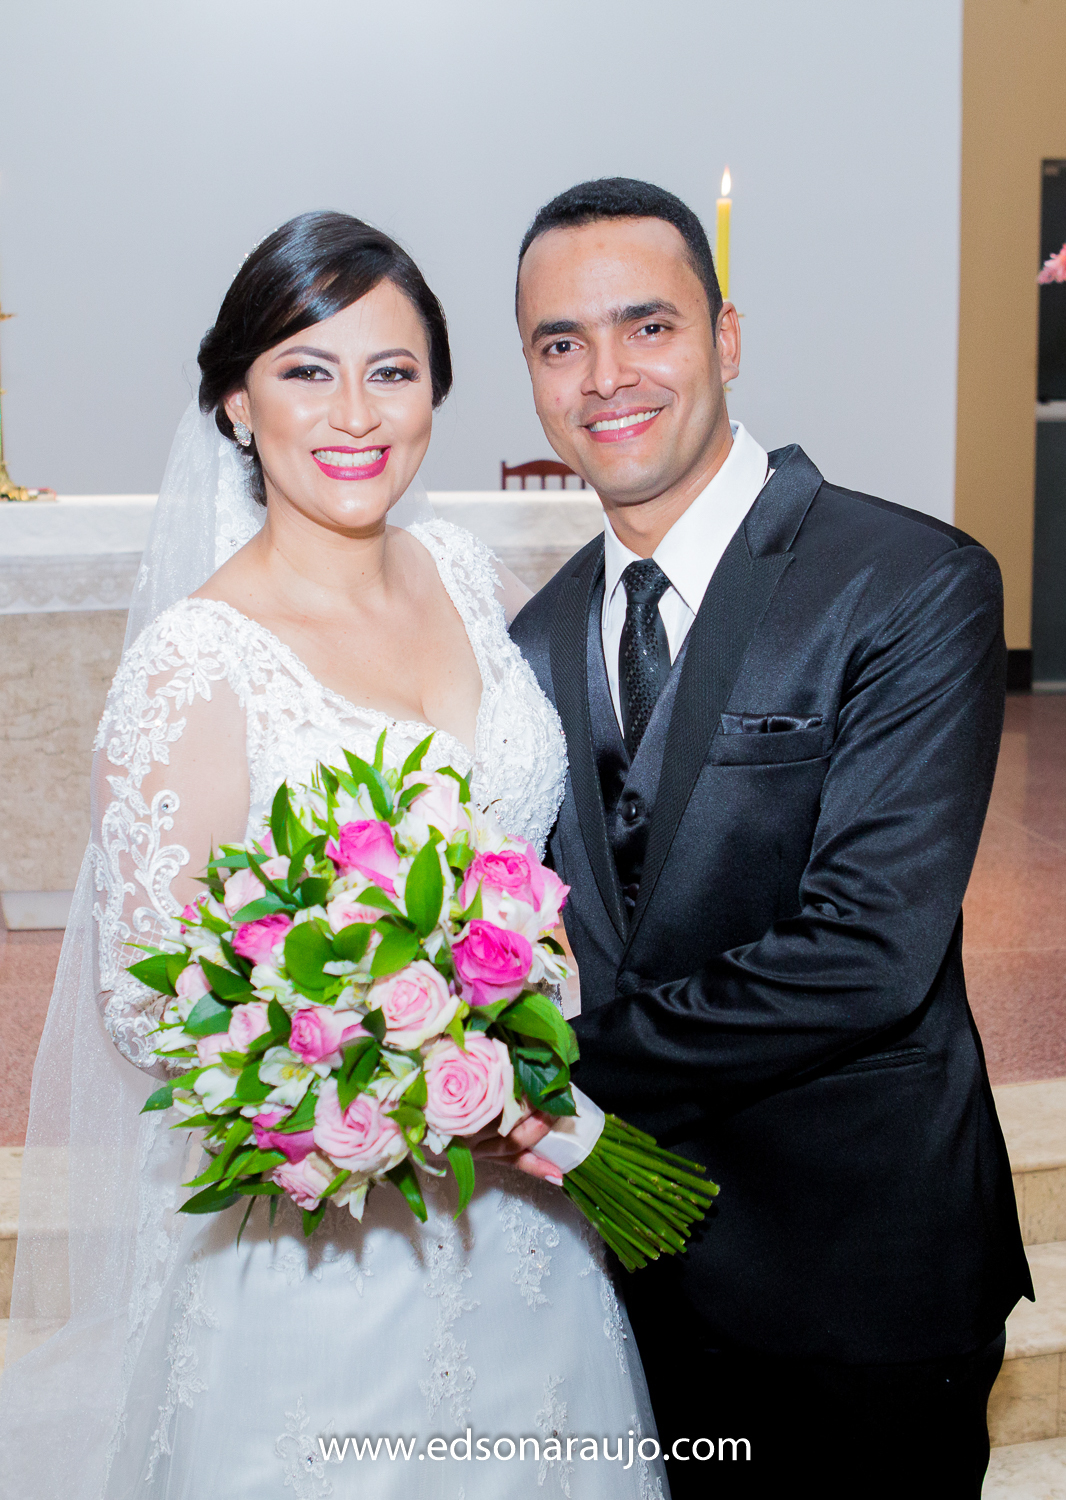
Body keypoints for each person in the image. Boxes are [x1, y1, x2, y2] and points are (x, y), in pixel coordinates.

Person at [0, 211, 667, 1500]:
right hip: (332, 1260)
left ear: (436, 396)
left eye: (394, 371)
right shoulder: (195, 663)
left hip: (532, 1218)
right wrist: (399, 1080)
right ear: (238, 403)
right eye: (308, 369)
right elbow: (153, 1006)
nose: (355, 412)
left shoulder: (465, 573)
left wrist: (514, 1041)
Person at [508, 178, 1033, 1499]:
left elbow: (865, 951)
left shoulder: (908, 582)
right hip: (630, 1279)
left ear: (724, 339)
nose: (605, 375)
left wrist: (552, 1075)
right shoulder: (529, 640)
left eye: (648, 327)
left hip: (858, 1284)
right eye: (558, 343)